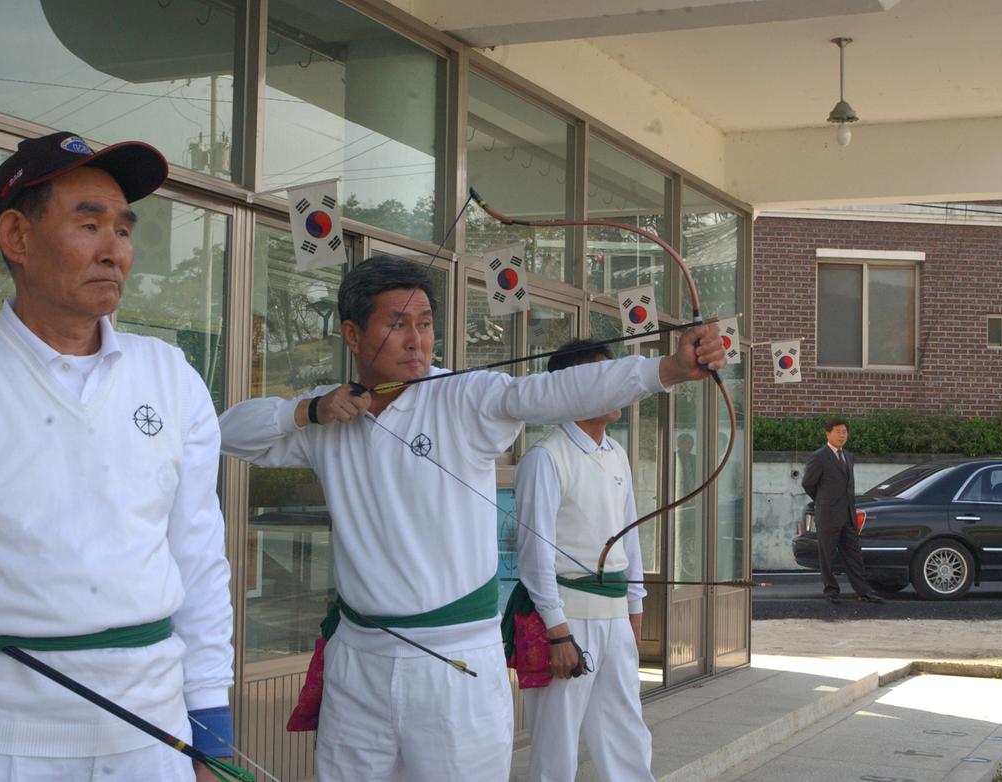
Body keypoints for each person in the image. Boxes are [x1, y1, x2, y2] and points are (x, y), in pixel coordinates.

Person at [218, 256, 726, 782]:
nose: (416, 339)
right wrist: (306, 411)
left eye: (425, 323)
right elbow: (227, 433)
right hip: (358, 659)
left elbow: (546, 393)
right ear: (352, 333)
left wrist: (662, 371)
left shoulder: (464, 397)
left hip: (455, 662)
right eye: (397, 324)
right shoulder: (330, 414)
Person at [0, 131, 235, 782]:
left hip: (153, 741)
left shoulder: (171, 379)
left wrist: (211, 730)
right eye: (88, 224)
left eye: (123, 229)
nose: (114, 250)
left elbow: (200, 563)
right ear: (17, 237)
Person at [512, 339, 654, 782]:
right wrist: (557, 633)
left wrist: (635, 605)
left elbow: (629, 535)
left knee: (625, 728)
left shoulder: (616, 452)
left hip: (613, 614)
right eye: (601, 378)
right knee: (557, 744)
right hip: (568, 619)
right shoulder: (546, 456)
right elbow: (535, 554)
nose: (615, 388)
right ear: (571, 388)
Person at [801, 417, 882, 605]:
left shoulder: (849, 456)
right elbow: (808, 484)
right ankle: (831, 591)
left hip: (848, 515)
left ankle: (863, 591)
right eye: (838, 431)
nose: (842, 435)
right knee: (827, 555)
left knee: (854, 554)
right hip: (828, 514)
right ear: (828, 433)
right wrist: (823, 501)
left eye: (844, 431)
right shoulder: (819, 457)